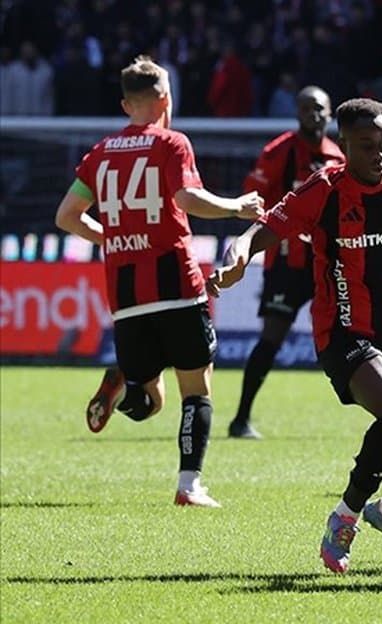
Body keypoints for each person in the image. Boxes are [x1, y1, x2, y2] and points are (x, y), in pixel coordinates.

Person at [209, 98, 382, 575]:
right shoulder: (323, 191)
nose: (379, 155)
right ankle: (346, 515)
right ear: (343, 146)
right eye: (366, 147)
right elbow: (264, 230)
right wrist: (239, 253)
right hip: (347, 337)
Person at [54, 55, 263, 507]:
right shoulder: (172, 143)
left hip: (125, 293)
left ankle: (126, 380)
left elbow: (66, 217)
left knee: (150, 402)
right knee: (196, 387)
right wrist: (235, 207)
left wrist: (110, 236)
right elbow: (186, 197)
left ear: (127, 105)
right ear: (166, 98)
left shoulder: (100, 153)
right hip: (175, 281)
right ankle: (189, 485)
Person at [228, 86, 344, 440]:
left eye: (320, 109)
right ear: (297, 113)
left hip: (325, 264)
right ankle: (240, 419)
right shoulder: (279, 152)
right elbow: (254, 198)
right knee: (272, 338)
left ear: (329, 114)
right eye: (308, 109)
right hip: (286, 264)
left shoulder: (338, 157)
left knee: (358, 335)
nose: (315, 115)